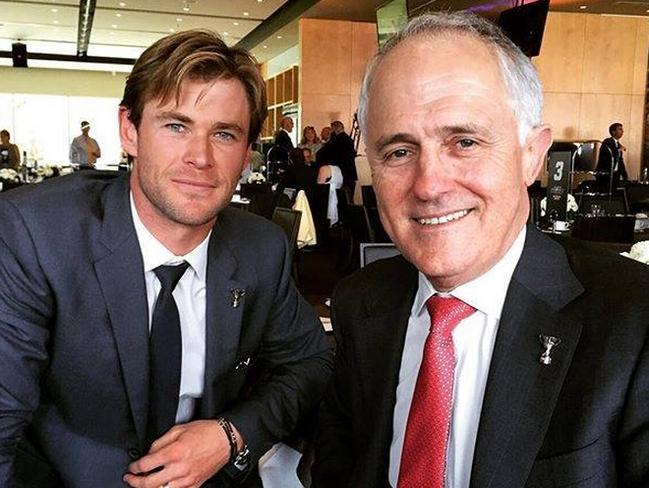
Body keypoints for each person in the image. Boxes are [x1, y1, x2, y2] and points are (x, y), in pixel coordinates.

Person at [313, 11, 649, 488]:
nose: (428, 185)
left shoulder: (634, 321)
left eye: (465, 141)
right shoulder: (359, 303)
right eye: (399, 152)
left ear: (532, 154)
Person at [0, 29, 332, 488]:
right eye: (176, 125)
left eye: (224, 133)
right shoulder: (35, 233)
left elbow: (313, 364)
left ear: (246, 153)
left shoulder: (262, 247)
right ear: (130, 131)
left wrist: (230, 435)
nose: (200, 157)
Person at [316, 121, 357, 198]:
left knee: (336, 200)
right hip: (349, 174)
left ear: (334, 129)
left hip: (337, 174)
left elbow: (321, 154)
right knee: (348, 198)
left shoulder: (335, 141)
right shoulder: (349, 140)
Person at [595, 122, 628, 190]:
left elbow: (620, 161)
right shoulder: (607, 142)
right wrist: (618, 150)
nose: (622, 131)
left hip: (615, 175)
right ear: (613, 132)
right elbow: (606, 155)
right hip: (605, 174)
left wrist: (625, 175)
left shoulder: (618, 145)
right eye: (620, 129)